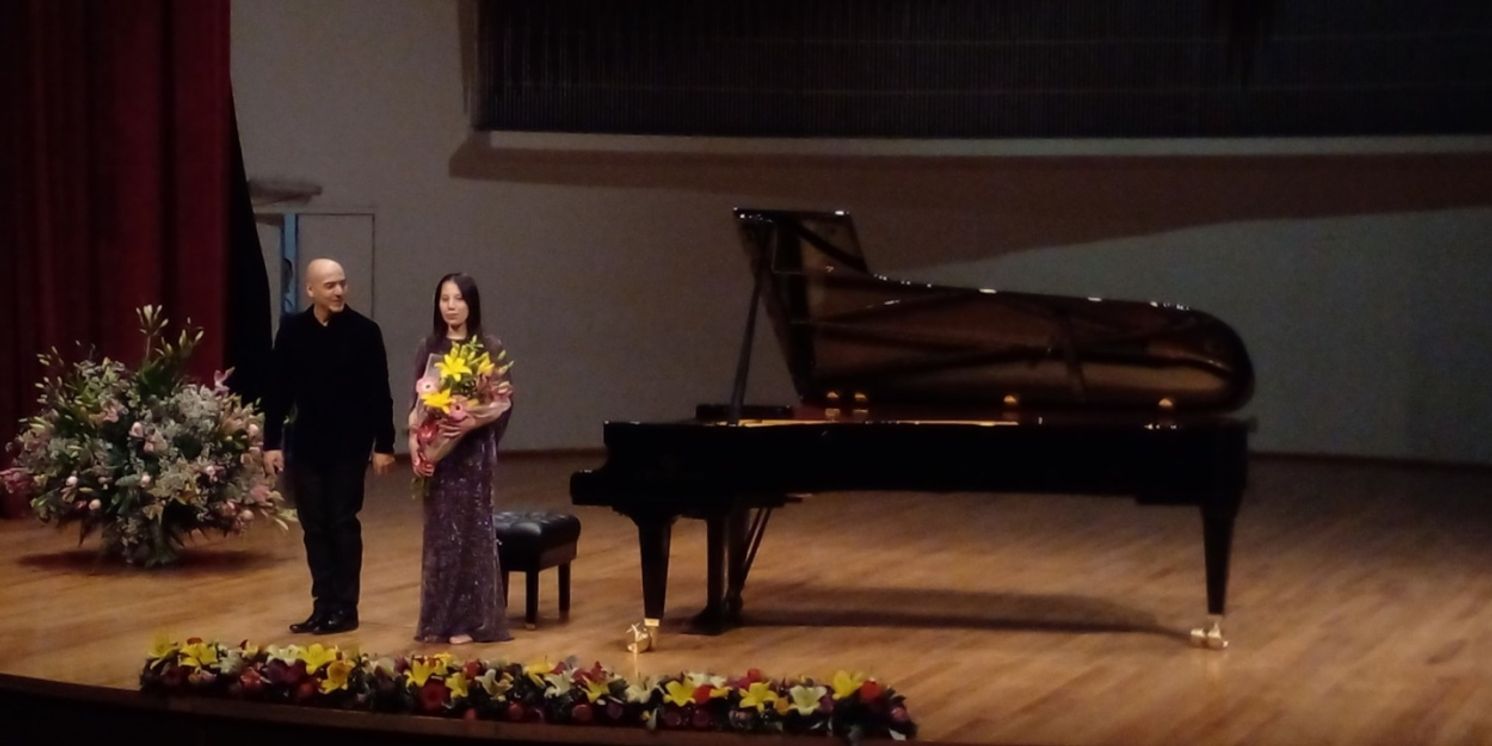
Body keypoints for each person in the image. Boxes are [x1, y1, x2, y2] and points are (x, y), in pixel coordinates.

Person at [263, 258, 396, 635]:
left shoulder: (364, 332)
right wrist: (271, 442)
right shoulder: (292, 331)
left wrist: (384, 444)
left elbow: (379, 393)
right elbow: (278, 390)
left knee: (342, 523)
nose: (338, 291)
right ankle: (323, 605)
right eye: (330, 286)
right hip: (307, 445)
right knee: (314, 527)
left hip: (349, 446)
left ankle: (345, 607)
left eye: (342, 284)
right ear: (310, 290)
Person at [410, 272, 513, 645]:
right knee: (440, 537)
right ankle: (439, 620)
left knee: (472, 533)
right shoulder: (429, 347)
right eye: (444, 299)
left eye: (458, 299)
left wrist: (471, 421)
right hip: (439, 457)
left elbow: (501, 401)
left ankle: (471, 621)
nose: (451, 306)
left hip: (472, 456)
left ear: (471, 304)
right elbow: (417, 402)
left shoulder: (487, 347)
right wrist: (417, 442)